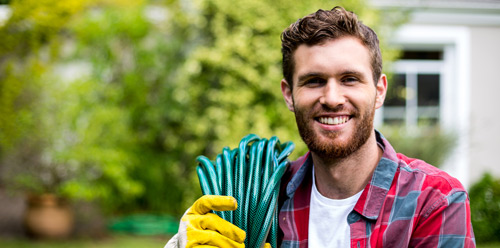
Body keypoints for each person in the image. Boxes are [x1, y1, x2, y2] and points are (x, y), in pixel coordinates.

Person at [166, 6, 476, 248]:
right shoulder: (262, 198)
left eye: (349, 79)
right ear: (289, 94)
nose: (331, 98)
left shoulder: (434, 201)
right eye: (314, 81)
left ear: (379, 90)